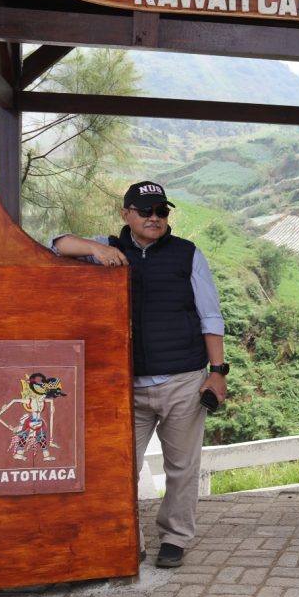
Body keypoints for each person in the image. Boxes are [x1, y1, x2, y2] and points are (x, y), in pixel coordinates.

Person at [50, 181, 227, 569]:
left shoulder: (188, 254)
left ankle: (175, 539)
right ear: (125, 213)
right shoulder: (107, 248)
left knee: (182, 468)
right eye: (145, 210)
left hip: (183, 380)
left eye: (161, 212)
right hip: (123, 386)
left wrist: (218, 372)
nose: (154, 218)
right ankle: (129, 537)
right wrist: (97, 249)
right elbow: (56, 244)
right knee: (117, 468)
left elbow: (211, 316)